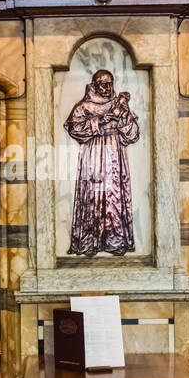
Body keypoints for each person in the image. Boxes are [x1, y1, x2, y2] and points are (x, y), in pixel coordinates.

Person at [65, 70, 140, 256]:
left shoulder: (118, 104)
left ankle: (115, 241)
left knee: (114, 195)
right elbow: (74, 128)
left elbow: (133, 134)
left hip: (115, 155)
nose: (108, 88)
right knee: (92, 196)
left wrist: (123, 116)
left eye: (110, 83)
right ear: (94, 84)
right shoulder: (83, 107)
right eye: (104, 84)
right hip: (93, 155)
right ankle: (91, 241)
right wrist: (100, 120)